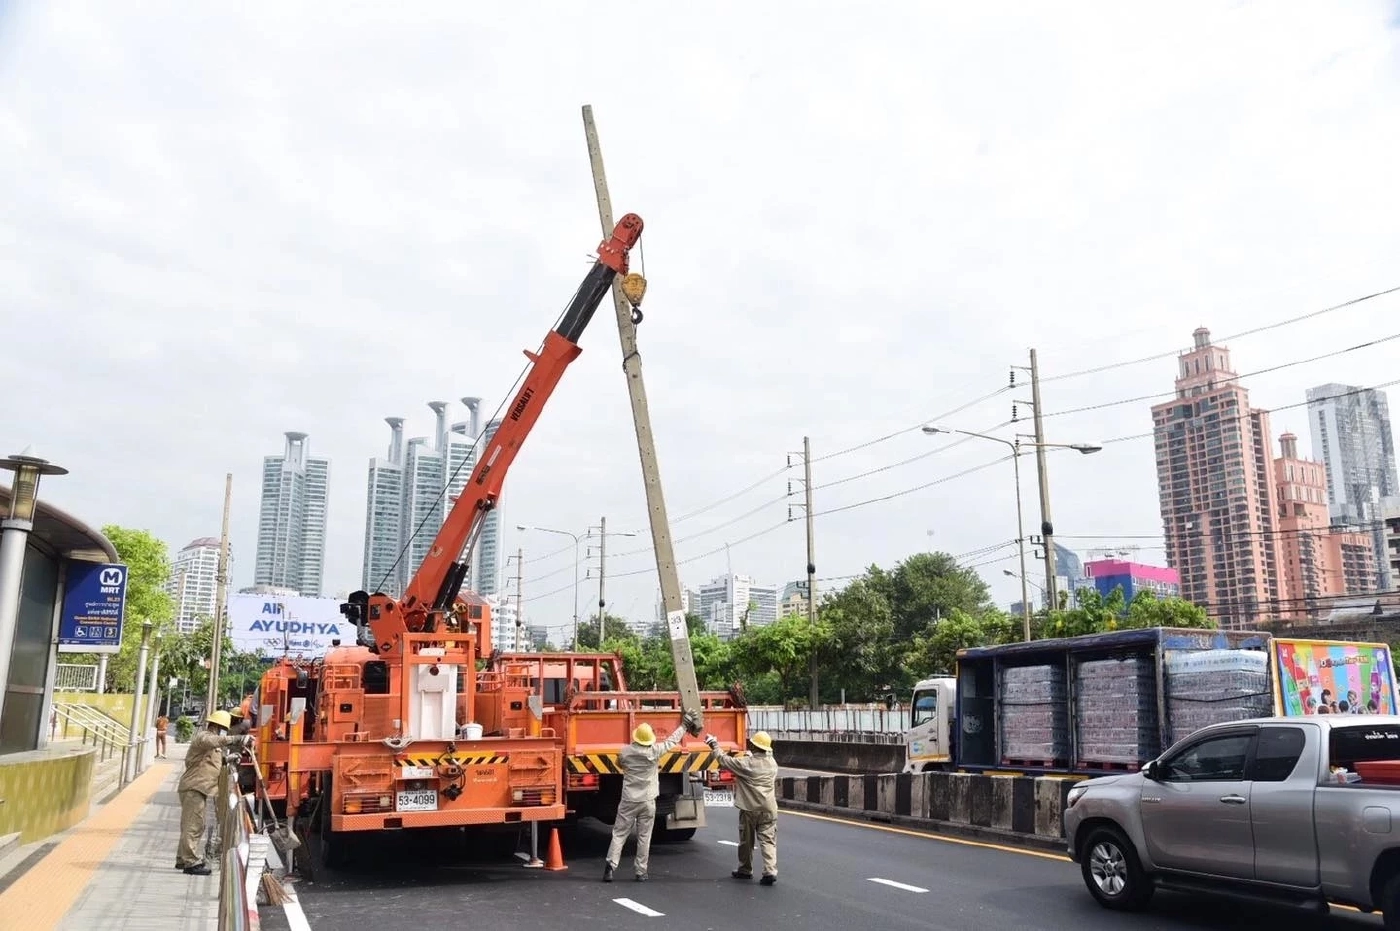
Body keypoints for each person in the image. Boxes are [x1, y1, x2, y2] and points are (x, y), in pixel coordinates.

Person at [603, 715, 693, 883]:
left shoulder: (626, 752)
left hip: (629, 799)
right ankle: (641, 871)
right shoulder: (654, 752)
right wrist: (684, 725)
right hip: (648, 801)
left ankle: (610, 866)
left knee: (619, 833)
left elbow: (619, 764)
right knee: (644, 836)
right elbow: (671, 741)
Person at [177, 710, 251, 875]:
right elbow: (213, 742)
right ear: (218, 727)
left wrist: (228, 759)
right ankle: (191, 863)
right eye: (225, 729)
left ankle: (183, 859)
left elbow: (210, 761)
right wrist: (236, 739)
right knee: (194, 826)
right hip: (194, 787)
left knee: (191, 824)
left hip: (199, 787)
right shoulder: (204, 737)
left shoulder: (213, 745)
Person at [706, 729, 779, 886]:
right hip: (769, 808)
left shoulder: (747, 764)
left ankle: (745, 870)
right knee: (768, 840)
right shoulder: (773, 764)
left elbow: (723, 760)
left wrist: (714, 744)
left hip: (749, 808)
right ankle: (770, 871)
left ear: (753, 747)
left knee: (746, 840)